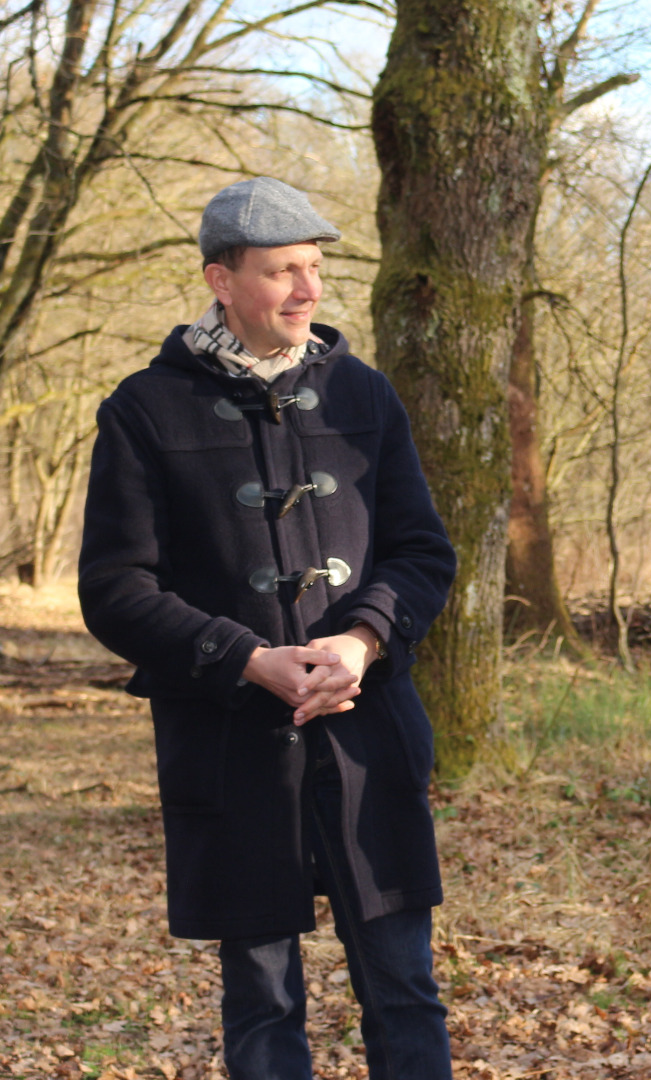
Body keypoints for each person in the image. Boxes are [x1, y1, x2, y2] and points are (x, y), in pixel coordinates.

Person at [78, 177, 457, 1079]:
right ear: (221, 279)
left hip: (369, 736)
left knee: (405, 989)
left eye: (315, 268)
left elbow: (422, 554)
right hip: (231, 745)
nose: (307, 289)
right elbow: (115, 588)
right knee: (262, 1001)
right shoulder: (142, 409)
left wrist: (360, 639)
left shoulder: (365, 396)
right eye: (283, 269)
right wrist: (244, 657)